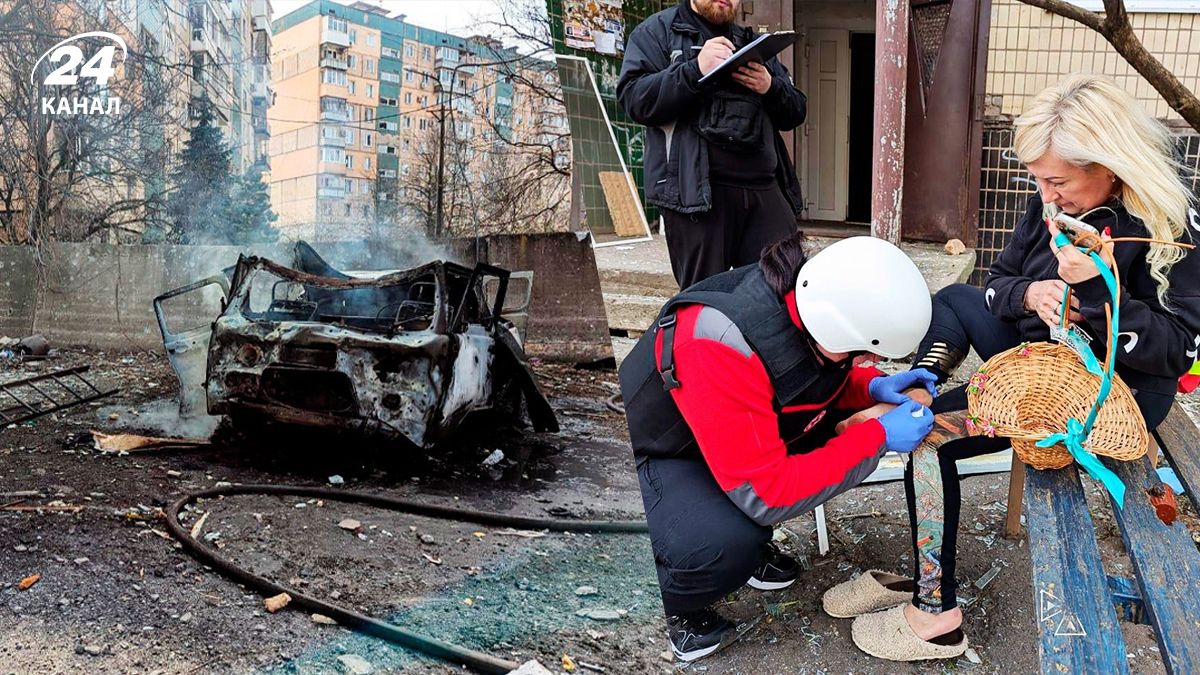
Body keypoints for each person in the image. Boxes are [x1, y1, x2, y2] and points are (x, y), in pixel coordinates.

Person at [823, 74, 1200, 662]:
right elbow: (997, 281)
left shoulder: (1170, 228)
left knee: (929, 447)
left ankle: (935, 618)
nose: (1046, 195)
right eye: (1038, 179)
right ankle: (920, 390)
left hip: (1111, 394)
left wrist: (1097, 298)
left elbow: (1178, 352)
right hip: (1042, 355)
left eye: (1057, 181)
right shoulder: (1051, 202)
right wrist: (1032, 296)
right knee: (954, 299)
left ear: (1111, 165)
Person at [619, 231, 939, 661]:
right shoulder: (720, 346)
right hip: (653, 455)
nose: (866, 361)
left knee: (817, 438)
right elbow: (767, 492)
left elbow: (808, 381)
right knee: (725, 543)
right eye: (864, 354)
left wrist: (872, 387)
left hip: (714, 436)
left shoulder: (811, 305)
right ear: (841, 332)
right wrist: (877, 436)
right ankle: (670, 605)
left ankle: (726, 533)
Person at [617, 0, 808, 289]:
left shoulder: (753, 42)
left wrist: (771, 87)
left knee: (782, 293)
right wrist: (694, 70)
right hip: (697, 195)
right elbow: (634, 100)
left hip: (764, 191)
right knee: (703, 299)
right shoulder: (657, 33)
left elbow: (796, 111)